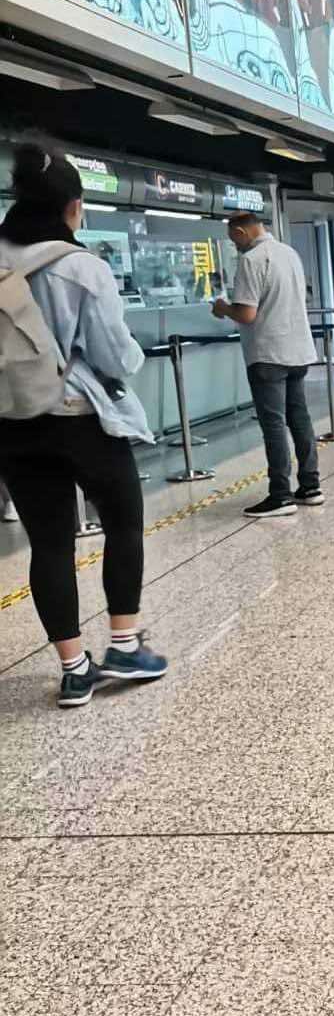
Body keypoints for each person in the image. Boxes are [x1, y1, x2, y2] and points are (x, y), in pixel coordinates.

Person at [0, 143, 168, 707]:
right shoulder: (81, 267)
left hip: (12, 420)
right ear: (72, 207)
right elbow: (114, 357)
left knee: (49, 544)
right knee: (123, 522)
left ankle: (74, 671)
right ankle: (124, 645)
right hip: (80, 419)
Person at [212, 212, 322, 518]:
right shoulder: (289, 253)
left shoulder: (251, 260)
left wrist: (222, 308)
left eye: (234, 239)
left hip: (267, 353)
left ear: (241, 231)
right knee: (299, 419)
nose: (235, 246)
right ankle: (311, 486)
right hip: (297, 350)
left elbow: (246, 314)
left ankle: (280, 495)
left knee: (273, 425)